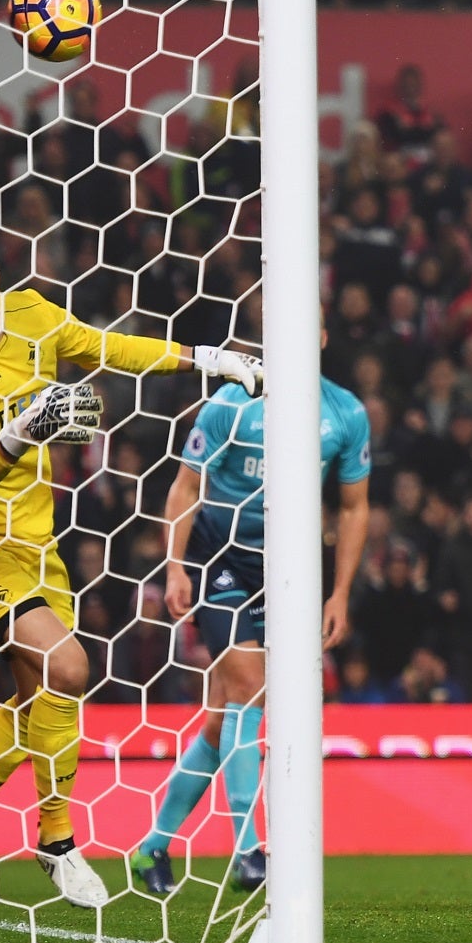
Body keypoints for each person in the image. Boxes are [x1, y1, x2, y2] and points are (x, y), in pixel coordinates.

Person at [0, 219, 263, 910]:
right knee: (69, 669)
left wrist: (209, 358)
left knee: (38, 698)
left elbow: (111, 348)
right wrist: (17, 434)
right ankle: (58, 841)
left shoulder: (32, 312)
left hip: (37, 543)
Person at [131, 322, 370, 896]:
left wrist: (338, 593)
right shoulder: (230, 403)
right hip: (222, 555)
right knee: (249, 688)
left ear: (321, 338)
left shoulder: (344, 413)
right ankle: (247, 849)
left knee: (224, 717)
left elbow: (354, 508)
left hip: (290, 570)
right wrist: (175, 565)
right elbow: (186, 487)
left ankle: (152, 849)